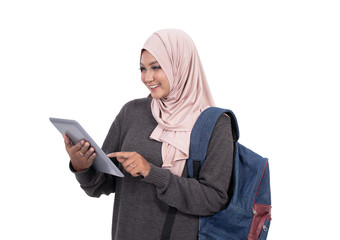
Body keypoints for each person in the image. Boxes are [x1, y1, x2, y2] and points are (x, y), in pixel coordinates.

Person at [63, 29, 234, 240]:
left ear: (179, 65)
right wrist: (82, 165)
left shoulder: (215, 125)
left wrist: (150, 171)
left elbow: (213, 199)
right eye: (142, 68)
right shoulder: (131, 113)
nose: (147, 77)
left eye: (156, 67)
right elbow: (100, 185)